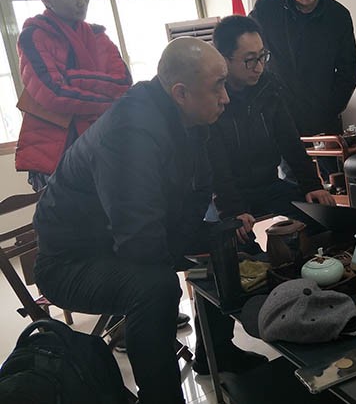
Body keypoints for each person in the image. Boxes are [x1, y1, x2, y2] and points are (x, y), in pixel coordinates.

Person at [33, 37, 233, 404]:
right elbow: (138, 237)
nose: (226, 98)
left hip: (122, 240)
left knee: (229, 240)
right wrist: (181, 255)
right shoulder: (131, 130)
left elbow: (198, 194)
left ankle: (218, 353)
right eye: (218, 86)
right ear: (181, 93)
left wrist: (208, 239)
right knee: (156, 287)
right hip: (72, 261)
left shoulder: (188, 119)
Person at [209, 15, 336, 247]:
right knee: (243, 251)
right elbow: (217, 165)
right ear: (224, 59)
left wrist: (313, 185)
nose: (259, 67)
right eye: (250, 60)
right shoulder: (212, 97)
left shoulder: (269, 86)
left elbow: (290, 141)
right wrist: (233, 210)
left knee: (323, 222)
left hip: (268, 184)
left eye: (262, 56)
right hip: (228, 193)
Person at [16, 0, 131, 191]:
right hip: (55, 153)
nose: (82, 1)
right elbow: (53, 94)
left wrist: (71, 78)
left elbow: (123, 85)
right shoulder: (33, 37)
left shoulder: (99, 36)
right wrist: (107, 99)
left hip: (103, 142)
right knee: (69, 215)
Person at [249, 0, 356, 178]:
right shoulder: (266, 11)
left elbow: (348, 70)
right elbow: (248, 49)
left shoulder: (338, 15)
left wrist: (329, 109)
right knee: (295, 183)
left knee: (335, 181)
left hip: (324, 118)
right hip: (282, 116)